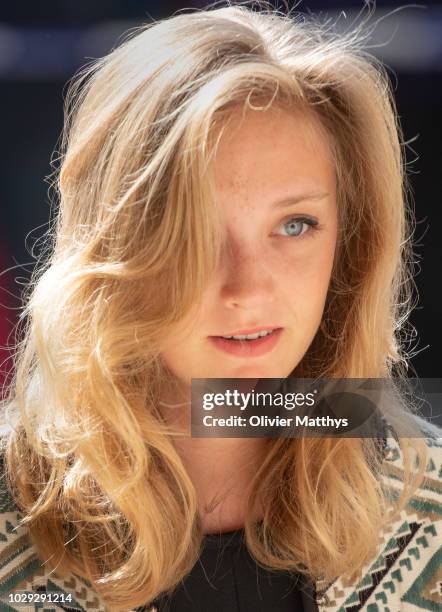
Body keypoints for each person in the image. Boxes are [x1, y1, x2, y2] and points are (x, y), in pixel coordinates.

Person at [0, 2, 441, 611]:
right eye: (195, 231)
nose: (247, 290)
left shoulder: (430, 504)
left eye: (295, 225)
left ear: (351, 245)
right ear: (112, 242)